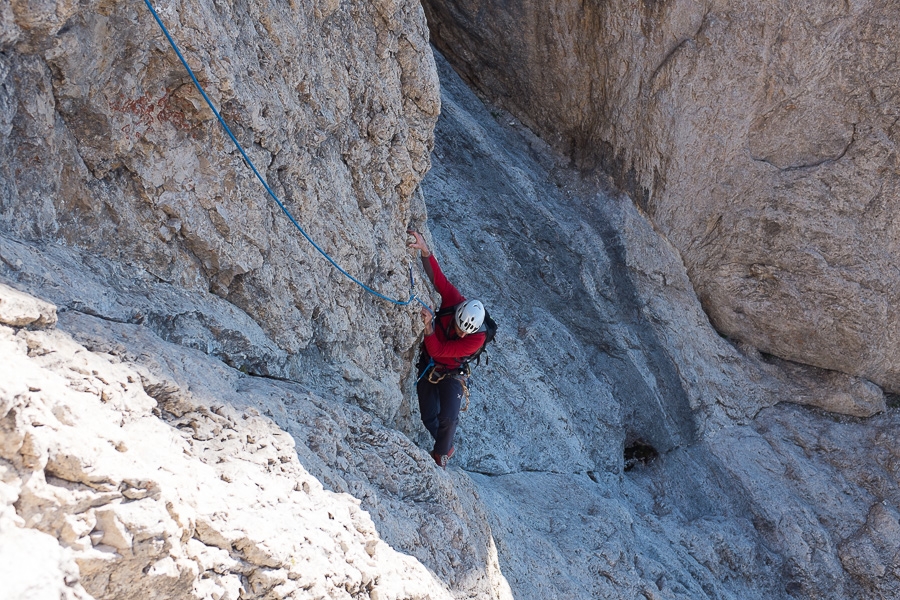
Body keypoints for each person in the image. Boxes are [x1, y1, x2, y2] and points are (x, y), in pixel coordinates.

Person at [408, 230, 486, 468]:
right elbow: (439, 280)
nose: (461, 334)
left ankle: (441, 454)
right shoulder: (455, 302)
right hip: (429, 365)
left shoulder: (476, 338)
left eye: (465, 332)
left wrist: (429, 326)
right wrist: (425, 251)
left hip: (452, 371)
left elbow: (439, 351)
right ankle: (445, 445)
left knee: (449, 417)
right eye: (459, 328)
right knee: (428, 416)